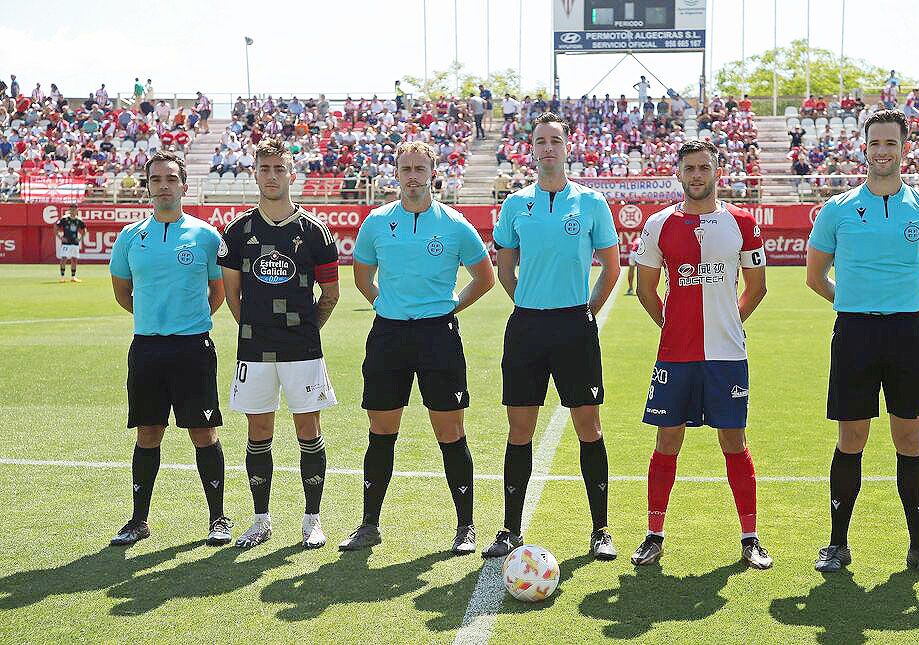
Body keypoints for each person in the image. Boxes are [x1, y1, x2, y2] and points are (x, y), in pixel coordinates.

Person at [806, 110, 919, 577]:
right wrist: (854, 304)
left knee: (908, 437)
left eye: (891, 143)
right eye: (875, 143)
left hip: (908, 336)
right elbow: (815, 277)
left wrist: (916, 314)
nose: (883, 151)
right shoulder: (837, 208)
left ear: (904, 148)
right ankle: (836, 544)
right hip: (854, 334)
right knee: (851, 438)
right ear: (864, 148)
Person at [340, 141, 495, 554]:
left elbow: (485, 278)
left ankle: (466, 527)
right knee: (381, 430)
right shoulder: (376, 222)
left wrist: (448, 309)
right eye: (405, 168)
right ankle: (368, 525)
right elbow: (361, 277)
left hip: (437, 336)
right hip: (389, 335)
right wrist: (386, 307)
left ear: (433, 172)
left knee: (450, 431)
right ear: (396, 173)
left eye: (419, 168)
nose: (412, 176)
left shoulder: (455, 224)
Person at [482, 112, 621, 561]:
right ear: (532, 148)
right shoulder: (515, 204)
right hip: (526, 327)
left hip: (573, 326)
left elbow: (612, 267)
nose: (547, 149)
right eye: (540, 141)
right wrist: (524, 299)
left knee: (589, 426)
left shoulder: (592, 203)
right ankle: (509, 529)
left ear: (567, 147)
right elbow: (504, 265)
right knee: (520, 430)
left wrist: (586, 313)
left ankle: (601, 530)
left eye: (555, 141)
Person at [629, 139, 772, 569]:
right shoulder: (658, 224)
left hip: (727, 356)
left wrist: (731, 321)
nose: (697, 175)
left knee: (734, 440)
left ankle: (750, 537)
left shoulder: (743, 222)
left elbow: (757, 286)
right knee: (668, 438)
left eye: (704, 168)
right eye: (689, 168)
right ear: (679, 173)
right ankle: (654, 534)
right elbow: (647, 290)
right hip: (676, 355)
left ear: (717, 172)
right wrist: (669, 325)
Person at [218, 138, 341, 550]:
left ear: (292, 174)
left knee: (308, 429)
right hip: (254, 350)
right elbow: (232, 296)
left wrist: (307, 330)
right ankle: (260, 519)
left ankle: (312, 520)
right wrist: (255, 329)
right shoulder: (238, 232)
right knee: (259, 429)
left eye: (279, 169)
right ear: (255, 174)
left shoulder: (315, 232)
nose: (272, 176)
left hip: (302, 350)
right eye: (264, 169)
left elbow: (331, 294)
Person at [108, 150, 231, 547]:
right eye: (156, 180)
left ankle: (218, 519)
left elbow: (218, 292)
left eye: (171, 179)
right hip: (146, 348)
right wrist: (153, 320)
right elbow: (123, 293)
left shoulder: (206, 235)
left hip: (193, 347)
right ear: (148, 187)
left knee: (203, 431)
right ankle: (138, 521)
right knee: (148, 433)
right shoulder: (130, 237)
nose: (164, 186)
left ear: (184, 185)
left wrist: (187, 322)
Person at [55, 203, 87, 282]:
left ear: (77, 210)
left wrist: (80, 238)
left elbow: (84, 230)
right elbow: (56, 227)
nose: (73, 211)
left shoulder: (78, 220)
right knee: (64, 258)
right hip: (66, 243)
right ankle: (62, 277)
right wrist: (60, 237)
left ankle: (73, 277)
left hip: (74, 243)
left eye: (75, 209)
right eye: (72, 209)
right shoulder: (65, 219)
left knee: (74, 259)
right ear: (69, 210)